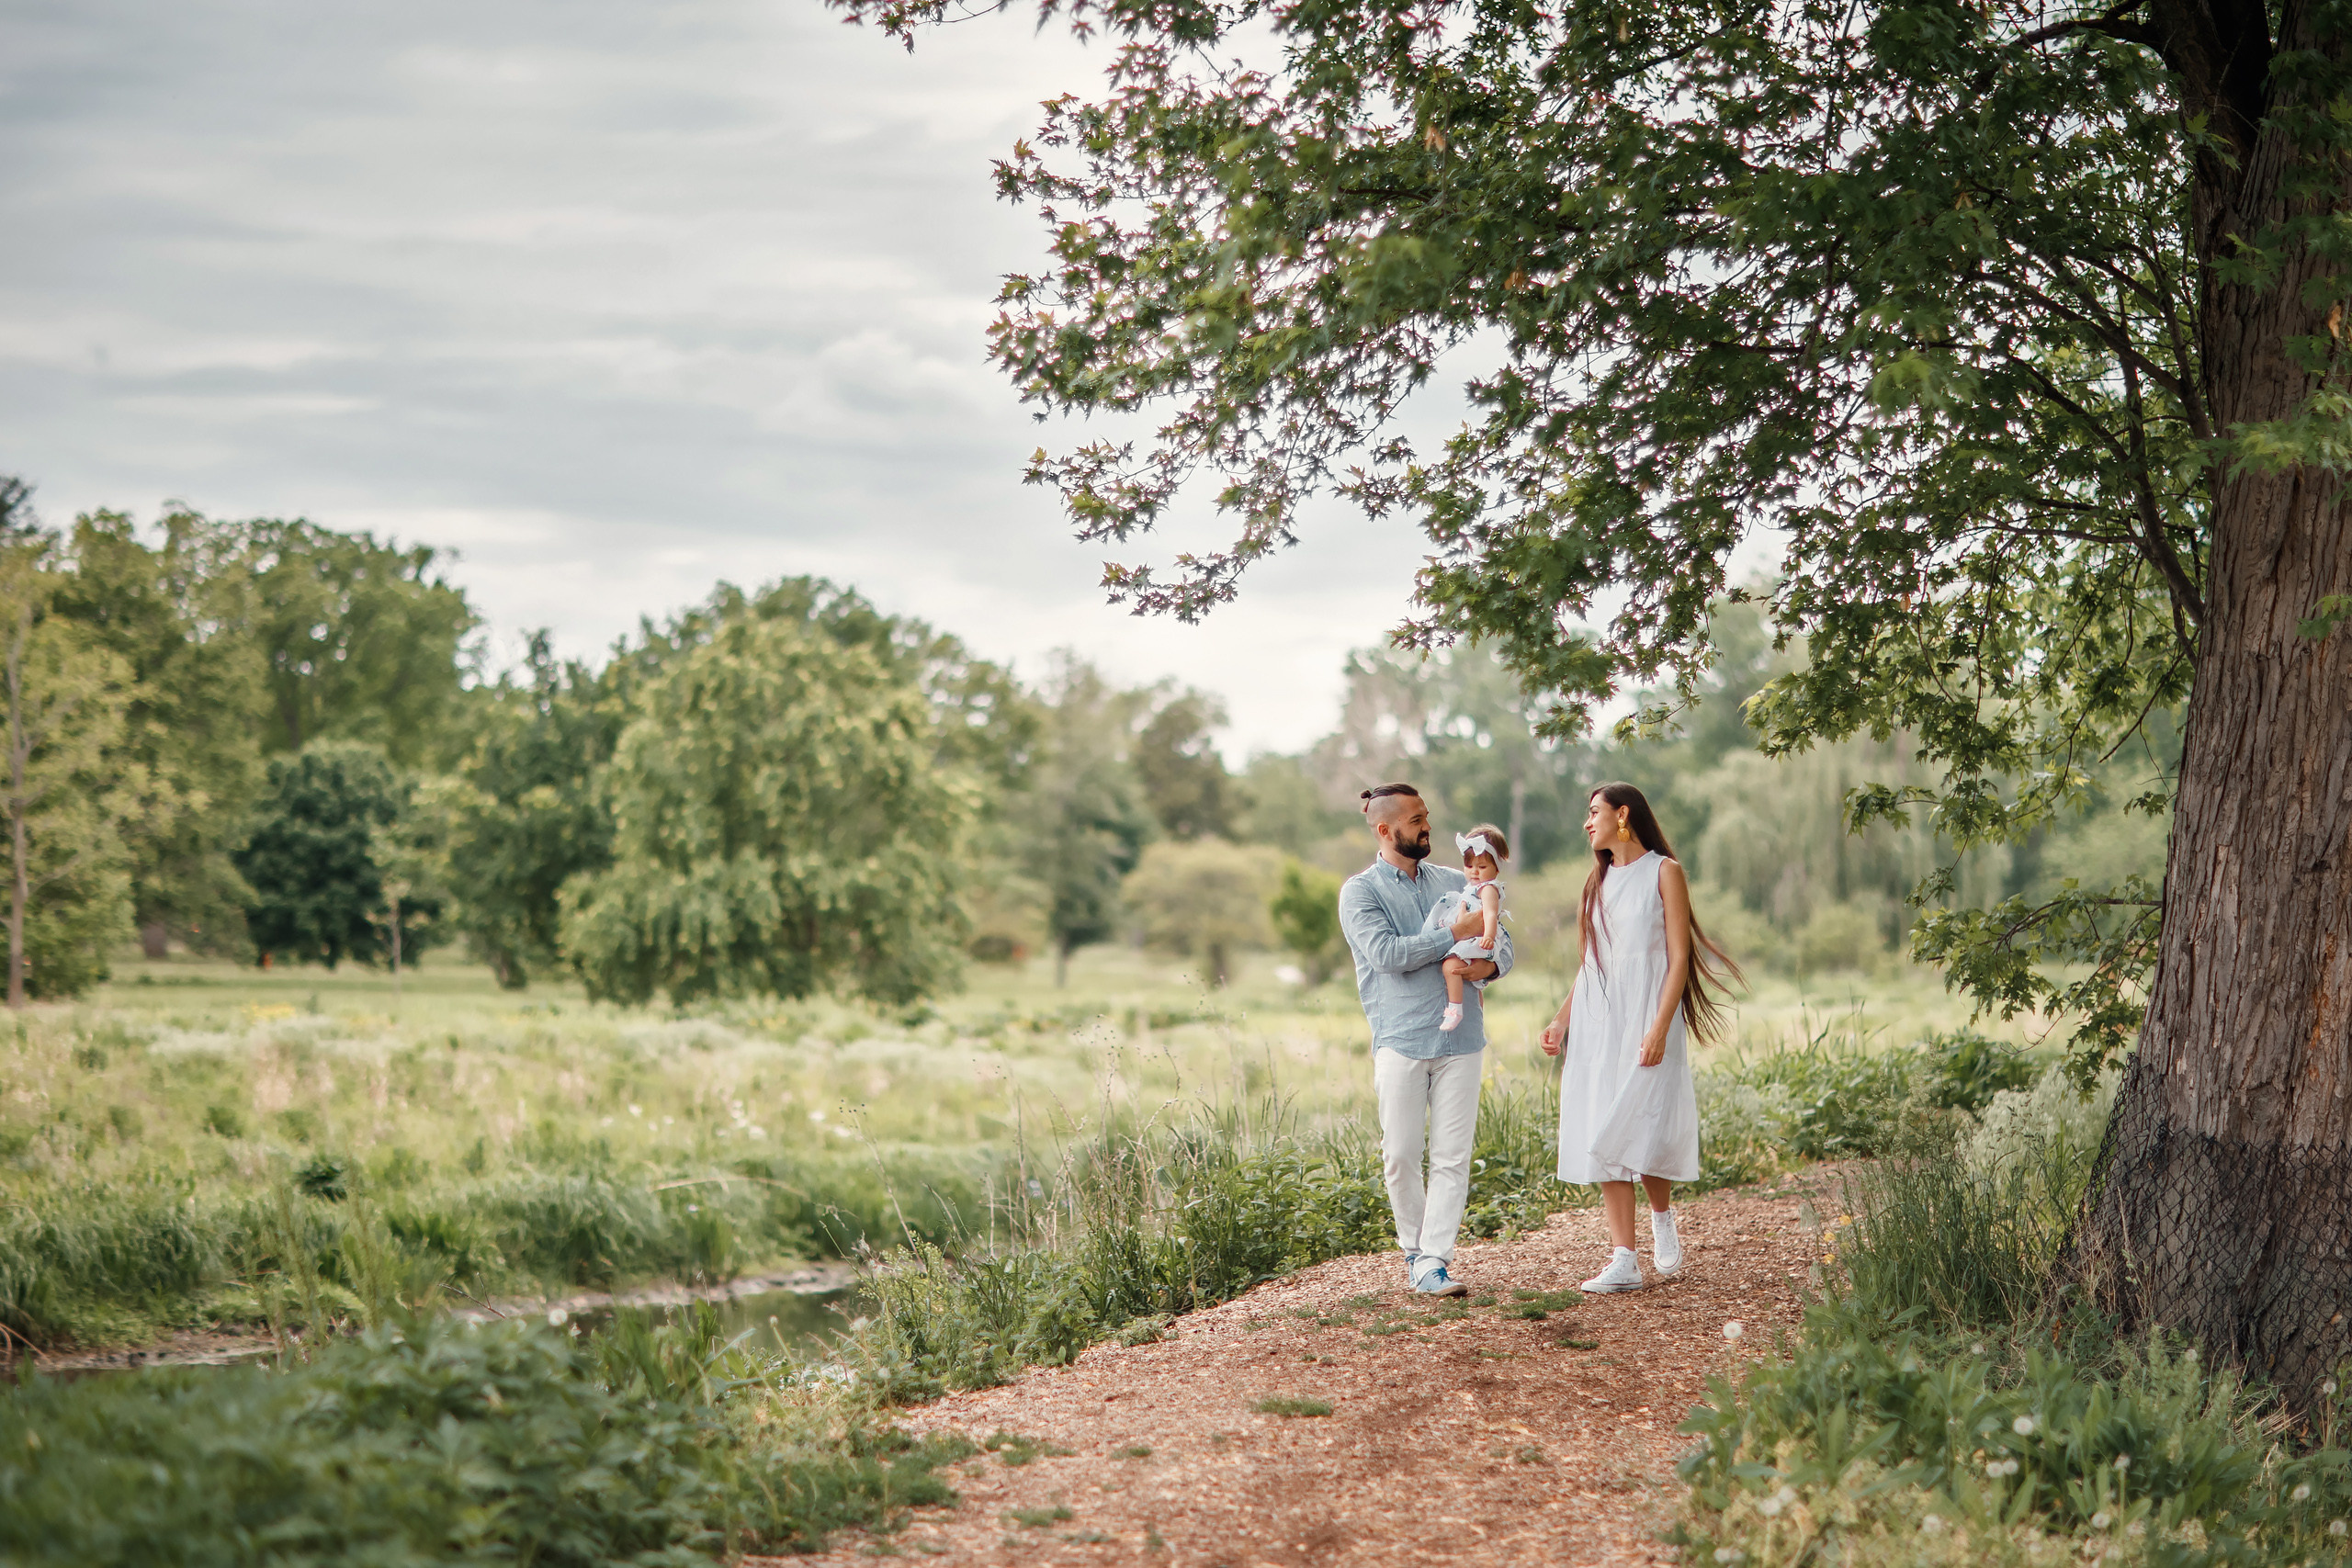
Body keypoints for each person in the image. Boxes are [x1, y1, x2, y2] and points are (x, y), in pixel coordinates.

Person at [1540, 782, 1741, 1294]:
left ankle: (1662, 1215)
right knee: (1605, 1124)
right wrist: (1562, 1020)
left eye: (1594, 812)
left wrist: (1659, 1027)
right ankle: (1624, 1259)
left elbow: (1680, 958)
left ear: (1622, 814)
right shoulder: (1597, 882)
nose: (1587, 823)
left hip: (1648, 1012)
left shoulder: (1664, 872)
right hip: (1599, 1020)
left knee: (1644, 1119)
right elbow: (1593, 963)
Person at [1339, 783, 1514, 1297]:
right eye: (1416, 820)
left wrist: (1485, 967)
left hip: (1463, 1041)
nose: (1427, 826)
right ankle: (1414, 1252)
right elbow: (1388, 955)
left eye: (1426, 816)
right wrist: (1453, 934)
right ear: (1385, 829)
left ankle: (1434, 1259)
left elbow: (1504, 946)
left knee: (1452, 1158)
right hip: (1401, 1038)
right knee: (1400, 1154)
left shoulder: (1458, 879)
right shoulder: (1361, 892)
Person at [1434, 825, 1510, 1033]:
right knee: (1474, 986)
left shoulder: (1488, 889)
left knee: (1450, 966)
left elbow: (1490, 914)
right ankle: (1476, 1019)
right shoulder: (1472, 888)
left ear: (1496, 868)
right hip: (1471, 936)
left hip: (1480, 938)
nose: (1474, 872)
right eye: (1469, 866)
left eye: (1482, 867)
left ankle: (1455, 1009)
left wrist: (1489, 936)